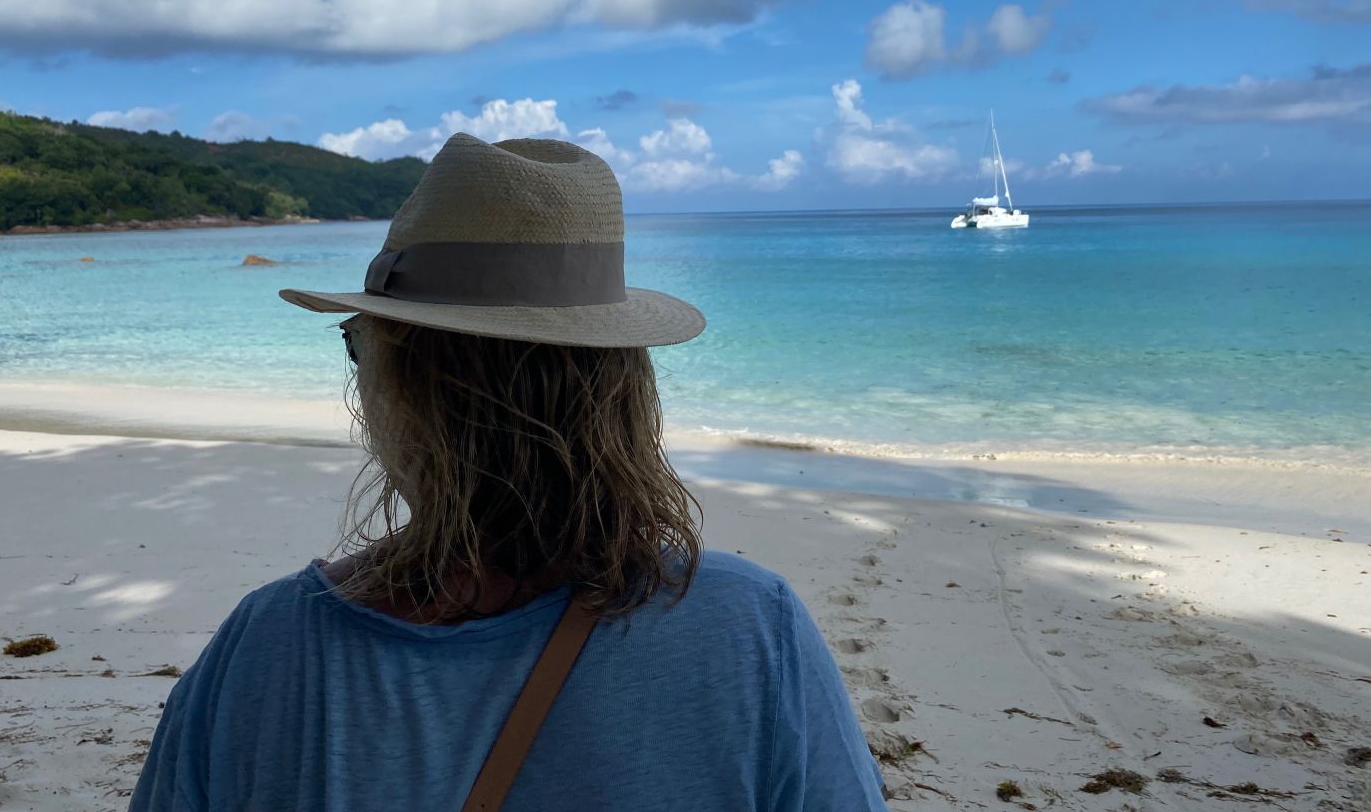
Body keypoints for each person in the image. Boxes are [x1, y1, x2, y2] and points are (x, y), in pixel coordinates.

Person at [130, 134, 887, 812]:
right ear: (624, 393)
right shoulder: (749, 632)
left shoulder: (267, 649)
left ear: (402, 385)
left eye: (360, 345)